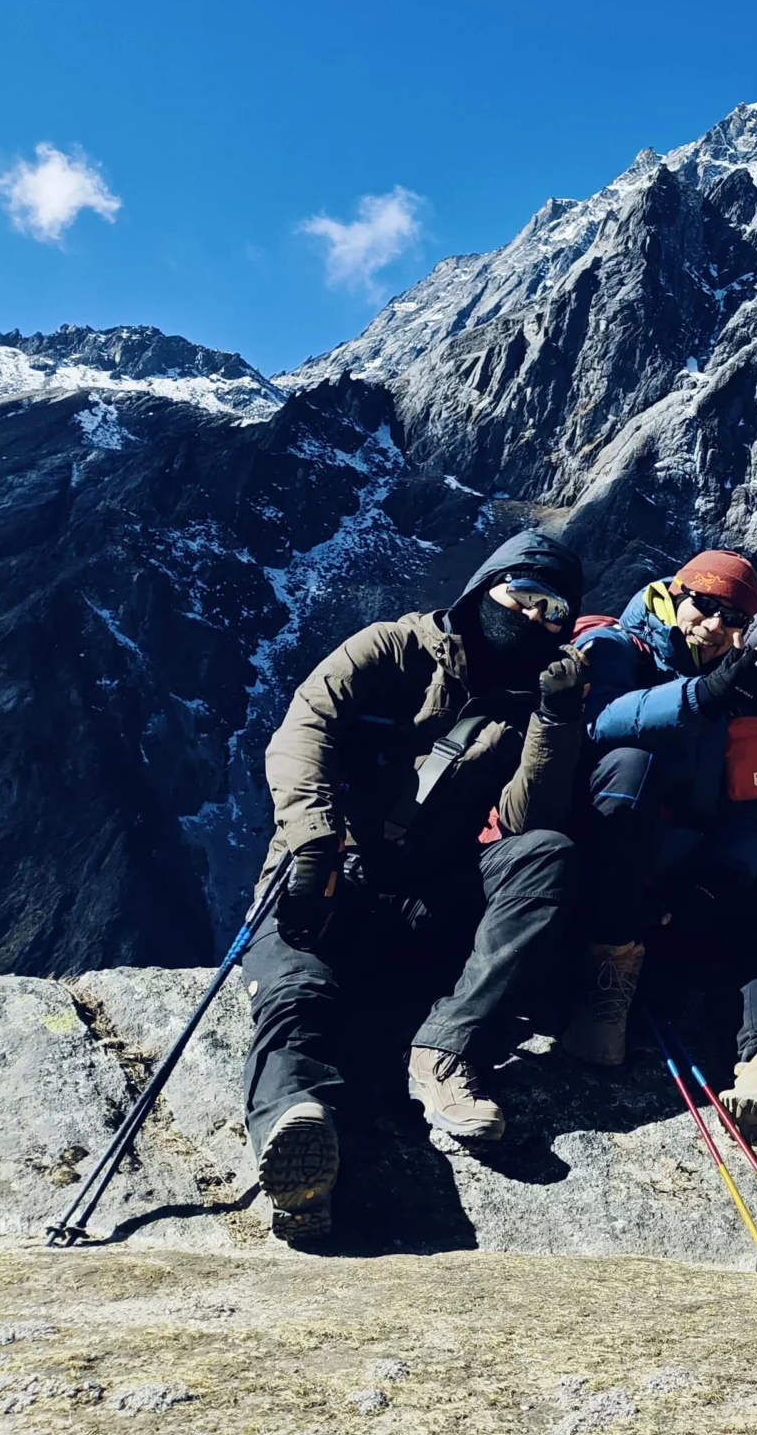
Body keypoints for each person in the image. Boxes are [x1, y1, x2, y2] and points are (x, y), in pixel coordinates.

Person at [241, 529, 590, 1245]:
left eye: (553, 610)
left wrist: (556, 720)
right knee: (297, 990)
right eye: (523, 595)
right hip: (334, 870)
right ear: (485, 587)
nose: (533, 617)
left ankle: (445, 1051)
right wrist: (313, 845)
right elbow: (304, 731)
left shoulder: (529, 705)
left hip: (431, 889)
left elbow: (528, 819)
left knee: (546, 854)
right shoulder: (390, 649)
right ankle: (296, 1129)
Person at [561, 551, 757, 1147]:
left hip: (676, 876)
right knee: (632, 765)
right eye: (704, 607)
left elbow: (752, 800)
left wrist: (721, 878)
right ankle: (604, 986)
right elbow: (596, 724)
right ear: (674, 595)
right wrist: (700, 695)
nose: (715, 627)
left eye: (733, 619)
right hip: (598, 867)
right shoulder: (615, 648)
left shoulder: (741, 686)